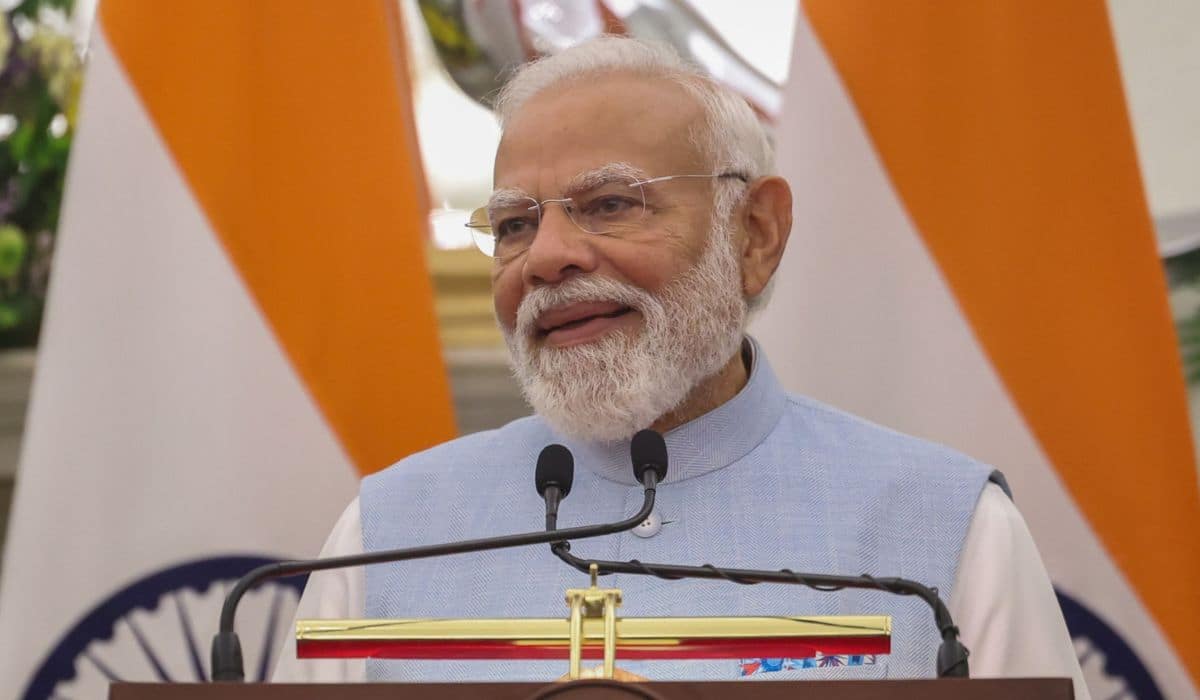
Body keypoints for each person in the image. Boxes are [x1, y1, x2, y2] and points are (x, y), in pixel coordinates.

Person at [272, 36, 1088, 697]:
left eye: (610, 204)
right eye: (516, 224)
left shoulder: (945, 526)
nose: (548, 257)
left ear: (755, 233)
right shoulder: (384, 536)